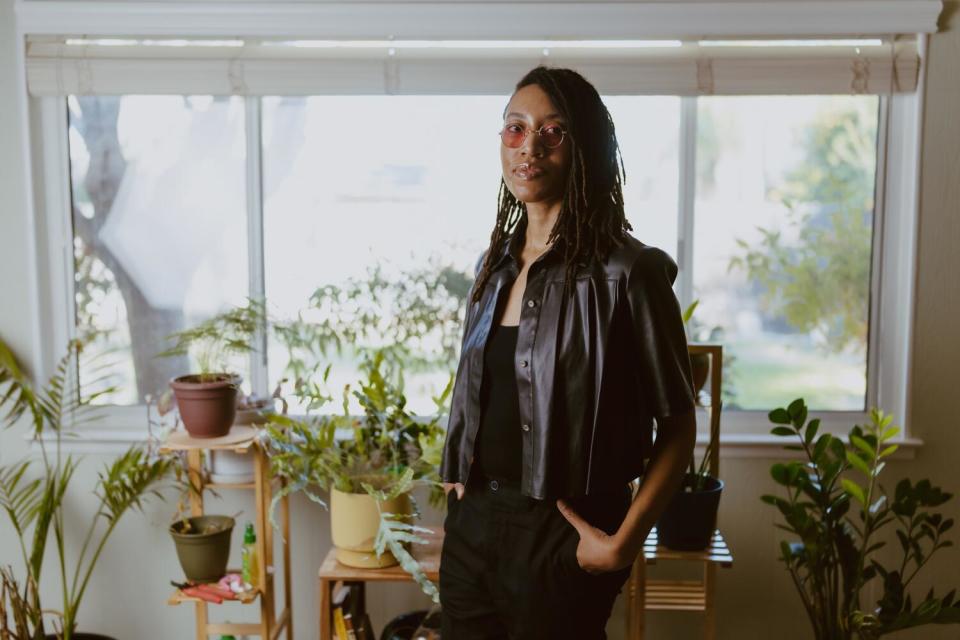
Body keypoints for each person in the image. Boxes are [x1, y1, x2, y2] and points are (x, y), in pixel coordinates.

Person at [438, 66, 698, 639]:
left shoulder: (629, 272)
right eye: (515, 128)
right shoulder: (494, 266)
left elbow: (678, 429)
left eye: (553, 132)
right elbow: (482, 388)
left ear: (585, 149)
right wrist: (461, 485)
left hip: (564, 533)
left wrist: (620, 547)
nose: (529, 146)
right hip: (476, 526)